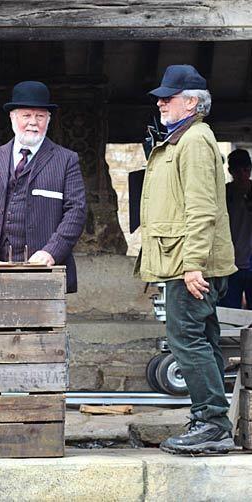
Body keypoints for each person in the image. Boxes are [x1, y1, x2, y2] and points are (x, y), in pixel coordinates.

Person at [139, 65, 237, 454]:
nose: (161, 102)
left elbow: (202, 208)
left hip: (190, 266)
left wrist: (192, 263)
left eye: (169, 97)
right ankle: (211, 420)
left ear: (192, 102)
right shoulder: (183, 138)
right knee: (204, 341)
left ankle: (211, 423)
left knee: (187, 343)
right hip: (188, 262)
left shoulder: (194, 140)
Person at [0, 80, 86, 294]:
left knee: (41, 327)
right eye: (26, 115)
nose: (33, 122)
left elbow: (76, 212)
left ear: (48, 120)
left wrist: (50, 252)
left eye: (40, 116)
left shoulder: (66, 160)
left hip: (43, 274)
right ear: (13, 117)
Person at [219, 149, 252, 309]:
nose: (242, 175)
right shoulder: (224, 194)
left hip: (249, 258)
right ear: (231, 171)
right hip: (229, 259)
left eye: (245, 170)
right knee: (229, 313)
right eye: (237, 171)